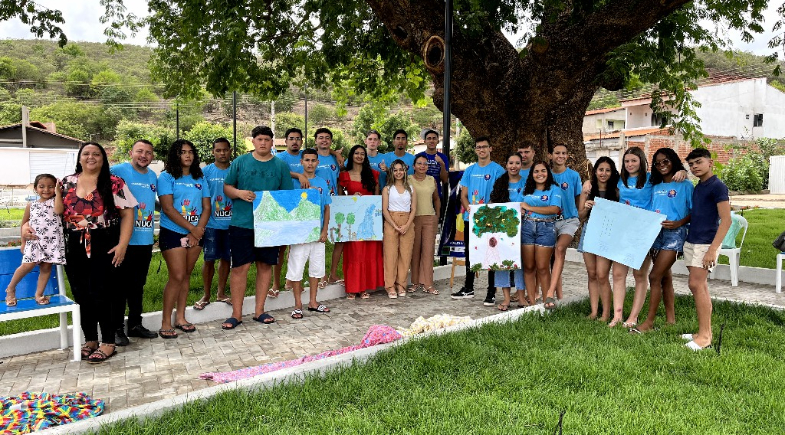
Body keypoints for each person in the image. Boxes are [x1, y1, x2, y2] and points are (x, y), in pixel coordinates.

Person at [60, 142, 136, 363]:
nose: (91, 157)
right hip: (74, 243)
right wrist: (26, 227)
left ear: (103, 159)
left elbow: (128, 215)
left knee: (104, 293)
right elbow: (50, 210)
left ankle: (109, 342)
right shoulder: (66, 183)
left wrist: (122, 245)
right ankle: (91, 339)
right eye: (86, 153)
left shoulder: (114, 183)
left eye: (96, 154)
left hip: (105, 241)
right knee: (81, 293)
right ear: (79, 158)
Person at [221, 126, 293, 329]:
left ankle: (259, 310)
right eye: (259, 139)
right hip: (242, 223)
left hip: (269, 225)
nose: (263, 143)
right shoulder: (240, 162)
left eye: (267, 139)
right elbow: (227, 187)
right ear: (253, 141)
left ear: (272, 142)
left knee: (265, 266)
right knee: (240, 267)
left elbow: (286, 196)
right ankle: (236, 314)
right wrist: (239, 193)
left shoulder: (280, 166)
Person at [613, 147, 688, 328]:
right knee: (624, 274)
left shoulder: (650, 179)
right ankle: (619, 316)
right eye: (626, 161)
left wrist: (683, 171)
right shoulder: (620, 179)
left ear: (642, 161)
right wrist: (587, 183)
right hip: (628, 231)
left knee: (645, 274)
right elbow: (601, 182)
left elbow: (672, 181)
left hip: (648, 231)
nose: (630, 164)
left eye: (634, 160)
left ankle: (638, 318)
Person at [634, 148, 693, 333]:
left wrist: (679, 223)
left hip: (675, 234)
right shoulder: (655, 185)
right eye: (658, 163)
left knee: (654, 276)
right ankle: (670, 320)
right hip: (655, 234)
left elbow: (695, 211)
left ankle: (649, 322)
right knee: (665, 277)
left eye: (666, 161)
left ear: (673, 161)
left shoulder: (685, 185)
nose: (662, 165)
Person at [157, 139, 211, 339]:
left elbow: (207, 207)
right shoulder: (166, 177)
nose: (188, 155)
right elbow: (168, 208)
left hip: (196, 232)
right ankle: (165, 322)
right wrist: (192, 229)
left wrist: (198, 230)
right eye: (182, 152)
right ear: (175, 155)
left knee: (186, 275)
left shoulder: (199, 177)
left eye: (190, 152)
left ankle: (180, 317)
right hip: (173, 232)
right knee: (177, 276)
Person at [110, 140, 159, 345]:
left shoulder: (153, 176)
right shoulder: (117, 171)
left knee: (138, 285)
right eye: (139, 151)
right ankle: (115, 329)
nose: (143, 155)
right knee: (119, 287)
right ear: (131, 152)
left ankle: (135, 324)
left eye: (148, 152)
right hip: (123, 241)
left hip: (145, 240)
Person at [681, 148, 730, 351]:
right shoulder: (698, 187)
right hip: (692, 240)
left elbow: (726, 220)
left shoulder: (718, 187)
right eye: (691, 164)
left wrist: (712, 250)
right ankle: (702, 332)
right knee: (700, 287)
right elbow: (696, 214)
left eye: (699, 162)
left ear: (710, 162)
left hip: (706, 243)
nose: (695, 167)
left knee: (696, 284)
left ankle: (705, 337)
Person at [451, 137, 504, 304]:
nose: (481, 150)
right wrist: (469, 208)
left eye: (484, 147)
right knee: (471, 253)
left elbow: (500, 194)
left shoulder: (498, 170)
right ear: (475, 150)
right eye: (478, 147)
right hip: (471, 218)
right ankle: (468, 287)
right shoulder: (469, 170)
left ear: (490, 148)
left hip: (491, 219)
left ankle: (491, 291)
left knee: (492, 254)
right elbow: (463, 196)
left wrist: (487, 211)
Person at [4, 174, 65, 307]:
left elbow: (59, 210)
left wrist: (58, 193)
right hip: (35, 241)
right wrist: (23, 242)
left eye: (50, 186)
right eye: (42, 186)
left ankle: (39, 294)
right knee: (27, 265)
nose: (46, 190)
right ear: (36, 188)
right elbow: (24, 223)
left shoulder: (56, 202)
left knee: (46, 267)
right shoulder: (31, 205)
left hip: (51, 242)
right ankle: (11, 289)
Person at [286, 148, 332, 318]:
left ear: (317, 162)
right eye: (307, 160)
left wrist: (324, 230)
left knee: (316, 268)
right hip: (299, 235)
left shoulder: (322, 183)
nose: (310, 163)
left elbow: (326, 208)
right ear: (301, 162)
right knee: (297, 268)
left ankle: (313, 301)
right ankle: (298, 304)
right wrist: (299, 176)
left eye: (313, 160)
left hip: (317, 233)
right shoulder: (293, 182)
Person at [338, 145, 384, 299]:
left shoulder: (373, 174)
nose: (359, 156)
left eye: (362, 154)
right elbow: (340, 199)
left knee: (368, 253)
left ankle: (364, 288)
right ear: (351, 155)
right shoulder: (344, 175)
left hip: (370, 220)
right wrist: (352, 198)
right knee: (355, 253)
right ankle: (352, 288)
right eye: (356, 153)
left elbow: (377, 199)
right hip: (353, 220)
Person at [577, 157, 619, 321]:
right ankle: (594, 311)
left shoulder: (616, 191)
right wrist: (586, 207)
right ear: (595, 172)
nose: (604, 173)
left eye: (607, 170)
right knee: (592, 273)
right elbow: (580, 216)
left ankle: (606, 313)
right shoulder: (587, 189)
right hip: (589, 231)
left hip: (606, 234)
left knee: (602, 274)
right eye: (601, 170)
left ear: (612, 172)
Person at [195, 138, 233, 311]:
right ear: (213, 152)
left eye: (225, 150)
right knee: (209, 259)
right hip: (210, 223)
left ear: (230, 151)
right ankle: (206, 295)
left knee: (226, 259)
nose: (222, 153)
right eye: (218, 150)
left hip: (232, 224)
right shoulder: (205, 172)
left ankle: (221, 293)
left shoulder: (235, 170)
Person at [521, 161, 562, 309]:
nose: (540, 174)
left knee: (543, 267)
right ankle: (532, 304)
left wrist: (529, 207)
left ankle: (547, 301)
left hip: (546, 228)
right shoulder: (526, 189)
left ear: (548, 173)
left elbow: (554, 209)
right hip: (527, 226)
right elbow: (520, 205)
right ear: (532, 174)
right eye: (536, 171)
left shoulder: (554, 189)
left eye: (543, 171)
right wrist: (522, 210)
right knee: (529, 267)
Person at [489, 153, 527, 310]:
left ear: (521, 165)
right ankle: (505, 299)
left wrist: (525, 209)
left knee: (520, 263)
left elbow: (531, 202)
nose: (514, 166)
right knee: (502, 263)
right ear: (506, 165)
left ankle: (521, 297)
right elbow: (492, 203)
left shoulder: (527, 183)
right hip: (502, 230)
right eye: (511, 163)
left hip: (522, 228)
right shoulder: (500, 183)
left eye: (517, 163)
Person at [548, 143, 582, 300]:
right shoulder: (546, 174)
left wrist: (577, 215)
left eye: (563, 153)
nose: (560, 156)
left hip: (569, 220)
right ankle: (559, 296)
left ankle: (551, 293)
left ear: (567, 156)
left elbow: (578, 198)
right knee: (551, 259)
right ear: (550, 155)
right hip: (549, 221)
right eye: (557, 153)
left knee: (560, 249)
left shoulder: (574, 176)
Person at [382, 159, 417, 298]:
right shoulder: (387, 189)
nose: (398, 172)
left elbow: (413, 209)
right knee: (390, 255)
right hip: (391, 221)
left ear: (405, 171)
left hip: (407, 221)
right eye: (395, 170)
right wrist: (394, 225)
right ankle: (390, 286)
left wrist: (407, 225)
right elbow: (385, 210)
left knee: (405, 254)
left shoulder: (411, 189)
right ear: (392, 172)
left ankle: (401, 284)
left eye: (400, 170)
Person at [316, 128, 346, 287]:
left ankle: (333, 274)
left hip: (335, 201)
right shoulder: (311, 157)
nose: (324, 140)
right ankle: (321, 276)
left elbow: (341, 179)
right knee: (319, 240)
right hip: (317, 203)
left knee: (340, 238)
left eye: (327, 138)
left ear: (331, 141)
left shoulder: (336, 159)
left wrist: (336, 154)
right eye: (321, 137)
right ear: (316, 141)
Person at [409, 154, 441, 295]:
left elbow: (436, 198)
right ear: (414, 166)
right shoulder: (408, 180)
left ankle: (428, 284)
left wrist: (437, 216)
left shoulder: (431, 179)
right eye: (419, 163)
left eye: (425, 164)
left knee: (428, 251)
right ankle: (415, 282)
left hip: (429, 218)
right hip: (413, 219)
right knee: (414, 252)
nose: (422, 166)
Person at [415, 129, 449, 198]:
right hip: (420, 194)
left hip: (436, 194)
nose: (431, 141)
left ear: (438, 141)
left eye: (434, 138)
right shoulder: (417, 157)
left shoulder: (443, 157)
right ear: (425, 141)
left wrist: (442, 164)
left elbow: (445, 180)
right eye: (429, 138)